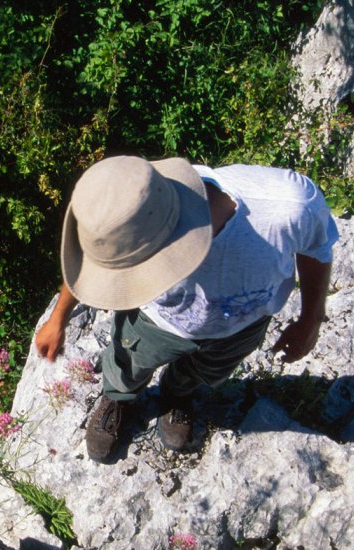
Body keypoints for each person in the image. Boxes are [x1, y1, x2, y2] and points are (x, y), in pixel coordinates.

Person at [34, 155, 337, 461]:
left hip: (243, 325)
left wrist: (311, 320)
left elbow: (316, 249)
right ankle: (118, 397)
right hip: (156, 322)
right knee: (129, 363)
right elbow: (87, 263)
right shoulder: (120, 216)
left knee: (205, 370)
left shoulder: (289, 208)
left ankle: (176, 394)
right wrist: (58, 318)